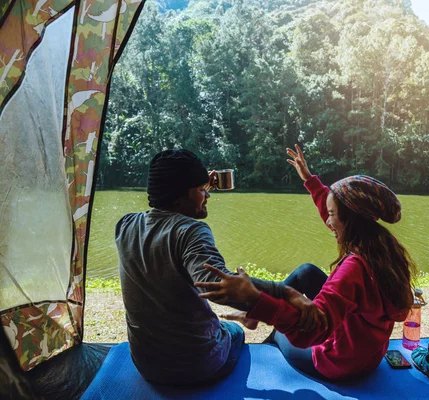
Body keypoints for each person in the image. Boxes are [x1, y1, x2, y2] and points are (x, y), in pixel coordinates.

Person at [197, 144, 417, 380]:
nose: (328, 222)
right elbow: (331, 209)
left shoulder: (354, 268)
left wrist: (257, 301)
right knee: (307, 273)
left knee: (282, 333)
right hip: (368, 354)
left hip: (339, 362)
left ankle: (261, 355)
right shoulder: (383, 246)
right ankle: (252, 317)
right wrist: (309, 179)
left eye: (332, 216)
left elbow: (310, 333)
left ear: (351, 219)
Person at [115, 149, 325, 386]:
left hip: (146, 365)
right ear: (177, 196)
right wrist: (286, 292)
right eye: (202, 190)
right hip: (197, 365)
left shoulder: (125, 225)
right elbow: (218, 285)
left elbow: (170, 209)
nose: (208, 196)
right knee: (234, 332)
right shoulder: (191, 231)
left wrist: (199, 186)